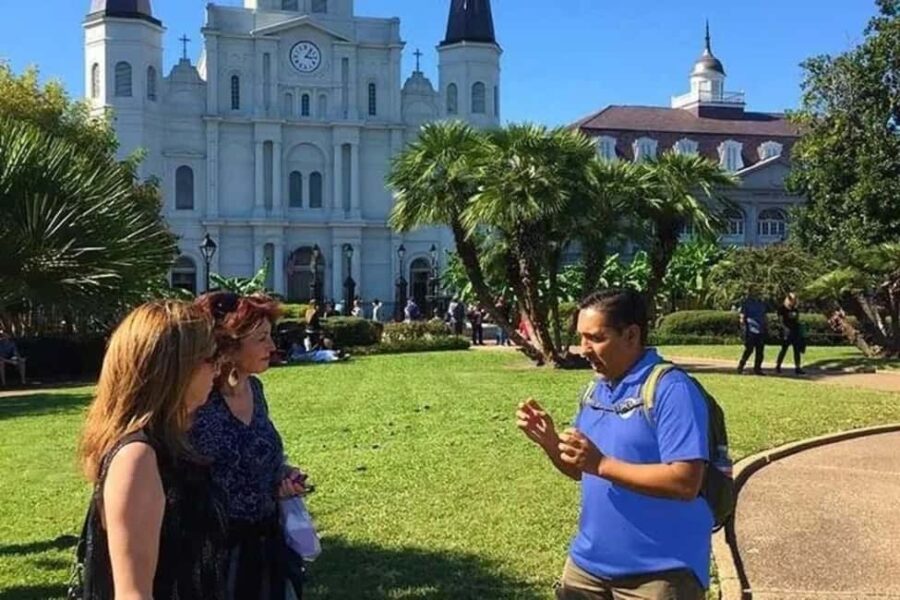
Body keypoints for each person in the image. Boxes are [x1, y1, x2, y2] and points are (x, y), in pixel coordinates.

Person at [516, 289, 710, 600]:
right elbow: (582, 470)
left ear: (631, 335)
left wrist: (601, 464)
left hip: (659, 576)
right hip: (587, 567)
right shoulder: (596, 391)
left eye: (595, 338)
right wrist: (550, 443)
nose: (583, 349)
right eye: (581, 338)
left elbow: (686, 481)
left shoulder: (671, 389)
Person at [78, 301, 227, 599]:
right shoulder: (137, 457)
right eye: (210, 358)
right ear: (176, 369)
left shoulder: (170, 442)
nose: (218, 368)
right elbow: (134, 593)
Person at [191, 292, 309, 599]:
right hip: (216, 559)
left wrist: (283, 477)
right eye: (261, 339)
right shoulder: (198, 400)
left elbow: (260, 454)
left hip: (267, 548)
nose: (272, 347)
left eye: (270, 336)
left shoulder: (255, 389)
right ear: (229, 344)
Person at [737, 289, 768, 375]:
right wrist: (743, 328)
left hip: (760, 329)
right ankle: (741, 366)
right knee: (749, 349)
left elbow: (764, 315)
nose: (757, 294)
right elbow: (742, 317)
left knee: (760, 351)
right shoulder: (746, 303)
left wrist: (766, 325)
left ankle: (757, 369)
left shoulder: (761, 304)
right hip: (751, 329)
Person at [776, 292, 805, 375]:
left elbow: (796, 319)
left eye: (794, 299)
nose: (793, 301)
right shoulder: (782, 309)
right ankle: (778, 365)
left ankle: (797, 367)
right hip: (787, 332)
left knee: (797, 350)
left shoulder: (795, 309)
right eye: (792, 299)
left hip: (795, 331)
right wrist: (784, 330)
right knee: (784, 350)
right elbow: (781, 321)